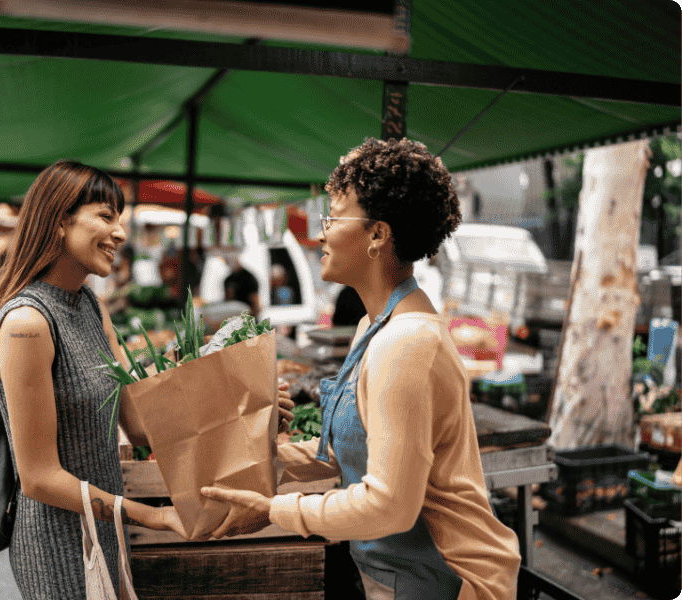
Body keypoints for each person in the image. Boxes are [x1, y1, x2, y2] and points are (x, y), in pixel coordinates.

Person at [201, 138, 522, 600]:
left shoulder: (406, 341)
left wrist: (276, 510)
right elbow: (345, 455)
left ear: (377, 235)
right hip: (400, 571)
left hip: (451, 580)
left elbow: (389, 506)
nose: (321, 233)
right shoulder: (374, 326)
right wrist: (265, 451)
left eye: (333, 218)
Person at [0, 161, 296, 599]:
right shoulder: (26, 323)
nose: (121, 233)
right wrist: (154, 516)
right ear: (60, 219)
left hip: (105, 532)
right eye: (106, 216)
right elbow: (39, 478)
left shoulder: (88, 305)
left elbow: (141, 424)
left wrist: (249, 409)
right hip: (59, 547)